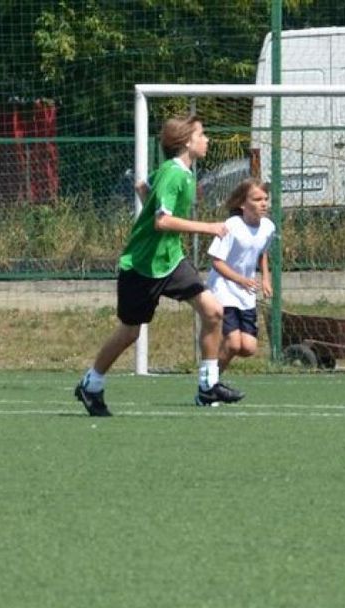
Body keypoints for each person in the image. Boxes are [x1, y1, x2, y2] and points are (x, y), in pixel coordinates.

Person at [74, 113, 245, 416]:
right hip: (140, 266)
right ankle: (91, 384)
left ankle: (208, 386)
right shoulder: (175, 173)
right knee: (130, 333)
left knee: (214, 311)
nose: (206, 140)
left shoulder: (181, 172)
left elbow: (143, 186)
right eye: (201, 134)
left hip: (171, 261)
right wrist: (209, 227)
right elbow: (162, 220)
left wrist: (153, 206)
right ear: (187, 142)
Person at [205, 178, 276, 373]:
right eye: (257, 199)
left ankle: (213, 370)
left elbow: (262, 252)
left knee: (248, 347)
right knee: (234, 343)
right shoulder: (232, 226)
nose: (263, 203)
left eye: (265, 199)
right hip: (223, 289)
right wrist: (241, 280)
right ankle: (209, 382)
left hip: (245, 292)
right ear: (243, 204)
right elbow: (216, 262)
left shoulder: (268, 227)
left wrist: (266, 279)